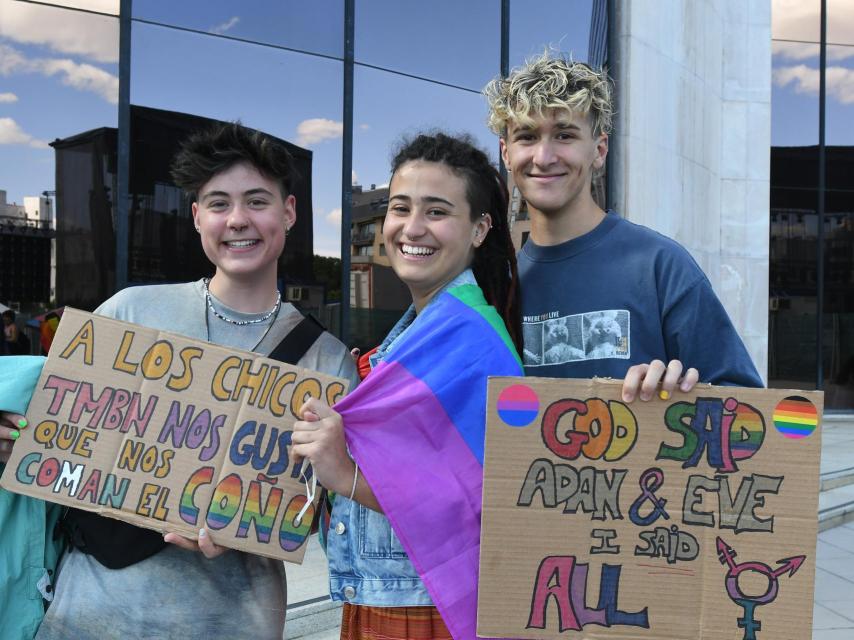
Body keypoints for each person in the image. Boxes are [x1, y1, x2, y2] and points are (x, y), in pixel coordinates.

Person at [0, 122, 358, 639]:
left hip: (233, 625)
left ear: (289, 212)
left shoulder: (329, 364)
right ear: (196, 217)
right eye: (218, 203)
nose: (238, 219)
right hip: (85, 620)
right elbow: (60, 446)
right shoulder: (129, 313)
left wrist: (248, 524)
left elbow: (317, 507)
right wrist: (18, 438)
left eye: (257, 201)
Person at [292, 132, 524, 640]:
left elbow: (479, 502)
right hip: (383, 594)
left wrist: (343, 473)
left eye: (437, 211)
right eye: (400, 208)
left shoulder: (471, 343)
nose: (412, 227)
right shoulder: (419, 337)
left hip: (429, 609)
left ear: (480, 229)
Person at [483, 52, 763, 391]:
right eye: (527, 137)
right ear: (506, 153)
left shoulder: (660, 266)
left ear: (599, 150)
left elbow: (746, 404)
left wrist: (682, 398)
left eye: (565, 135)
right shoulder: (500, 285)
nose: (543, 157)